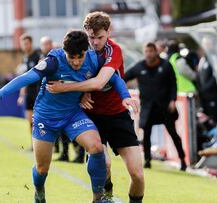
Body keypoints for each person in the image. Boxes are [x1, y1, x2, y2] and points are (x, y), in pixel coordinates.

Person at [0, 30, 137, 203]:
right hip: (46, 118)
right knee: (42, 168)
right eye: (72, 57)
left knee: (97, 147)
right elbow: (26, 77)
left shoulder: (94, 59)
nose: (76, 62)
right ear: (65, 52)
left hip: (73, 115)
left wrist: (125, 96)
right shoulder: (53, 62)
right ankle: (39, 191)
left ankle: (98, 198)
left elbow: (114, 78)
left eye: (80, 57)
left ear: (86, 51)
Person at [46, 11, 144, 203]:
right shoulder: (78, 51)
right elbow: (64, 74)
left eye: (100, 37)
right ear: (86, 33)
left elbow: (100, 83)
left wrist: (64, 88)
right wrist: (79, 95)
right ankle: (105, 195)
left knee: (138, 174)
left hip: (118, 114)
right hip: (91, 117)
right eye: (92, 37)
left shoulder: (113, 51)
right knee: (104, 164)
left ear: (109, 32)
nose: (96, 42)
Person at [123, 42, 187, 171]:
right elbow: (123, 78)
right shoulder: (139, 67)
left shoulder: (166, 65)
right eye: (146, 51)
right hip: (148, 108)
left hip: (165, 107)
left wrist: (173, 100)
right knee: (146, 134)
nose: (148, 54)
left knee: (173, 134)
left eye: (151, 51)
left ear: (156, 52)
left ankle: (182, 159)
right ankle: (147, 160)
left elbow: (173, 83)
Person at [17, 34, 42, 150]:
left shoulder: (37, 55)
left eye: (26, 43)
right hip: (29, 92)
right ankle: (33, 144)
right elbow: (23, 78)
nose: (24, 46)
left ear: (31, 43)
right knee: (29, 120)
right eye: (23, 44)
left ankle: (43, 144)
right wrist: (22, 94)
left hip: (38, 91)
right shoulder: (24, 58)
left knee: (39, 120)